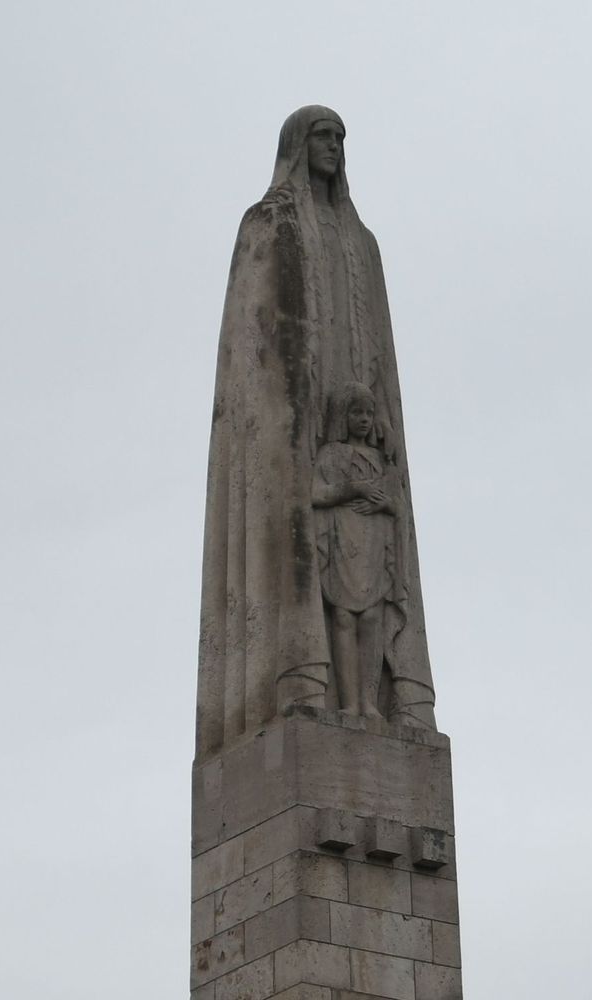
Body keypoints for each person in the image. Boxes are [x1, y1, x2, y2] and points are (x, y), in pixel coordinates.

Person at [197, 106, 436, 758]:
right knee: (305, 577)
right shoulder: (269, 224)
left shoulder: (363, 244)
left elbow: (380, 354)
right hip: (292, 438)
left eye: (340, 138)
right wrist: (288, 434)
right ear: (299, 148)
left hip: (357, 449)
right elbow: (254, 356)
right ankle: (300, 678)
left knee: (369, 593)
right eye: (322, 137)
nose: (333, 147)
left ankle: (382, 697)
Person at [312, 383, 401, 718]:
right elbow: (317, 494)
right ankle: (349, 703)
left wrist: (383, 505)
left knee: (373, 618)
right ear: (344, 416)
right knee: (345, 618)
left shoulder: (381, 459)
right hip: (342, 538)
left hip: (373, 542)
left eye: (368, 413)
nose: (363, 419)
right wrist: (354, 489)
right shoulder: (331, 454)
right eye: (356, 412)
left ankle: (370, 702)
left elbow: (396, 506)